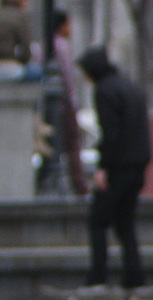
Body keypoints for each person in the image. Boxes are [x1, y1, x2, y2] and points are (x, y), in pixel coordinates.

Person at [73, 46, 151, 300]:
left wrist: (103, 168)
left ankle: (98, 276)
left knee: (98, 221)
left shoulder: (104, 91)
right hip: (138, 163)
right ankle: (134, 277)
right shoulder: (131, 87)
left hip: (118, 165)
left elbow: (111, 132)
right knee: (125, 222)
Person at [50, 11, 87, 195]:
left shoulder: (47, 45)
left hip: (53, 103)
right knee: (73, 144)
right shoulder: (62, 46)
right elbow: (68, 78)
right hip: (64, 103)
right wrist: (74, 102)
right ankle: (80, 185)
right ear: (62, 26)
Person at [0, 0, 29, 83]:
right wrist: (19, 61)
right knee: (36, 72)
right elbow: (26, 51)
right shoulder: (19, 17)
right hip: (9, 68)